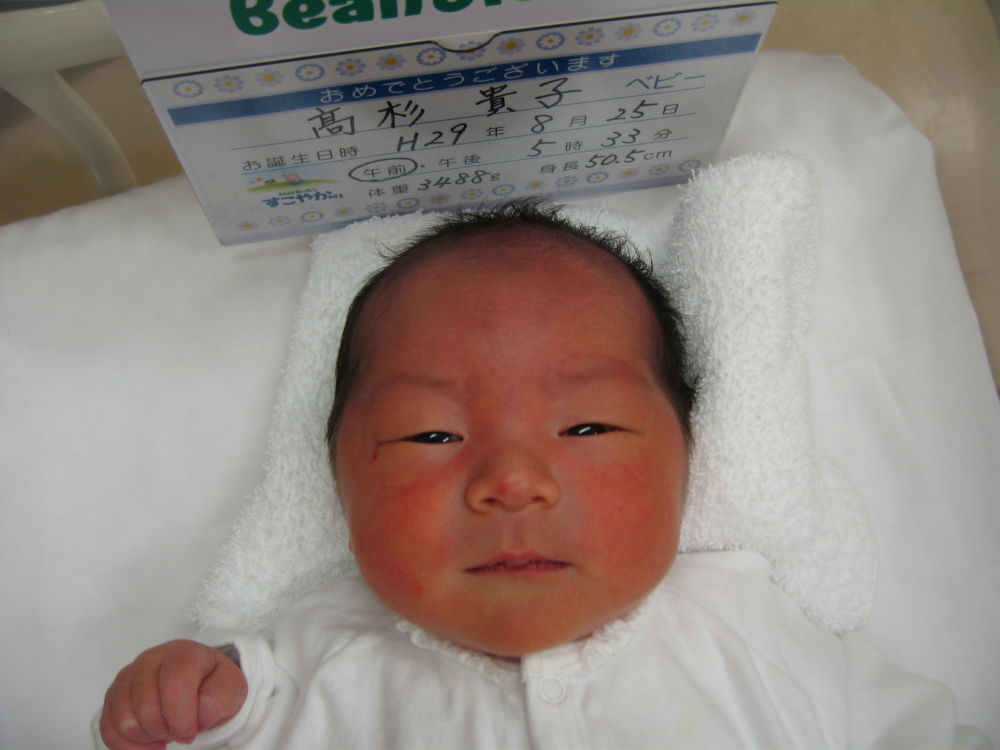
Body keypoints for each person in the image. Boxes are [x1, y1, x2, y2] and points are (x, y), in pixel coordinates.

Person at [98, 201, 972, 750]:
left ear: (688, 453)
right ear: (334, 478)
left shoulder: (747, 626)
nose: (513, 480)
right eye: (430, 433)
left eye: (588, 426)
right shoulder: (303, 659)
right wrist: (185, 700)